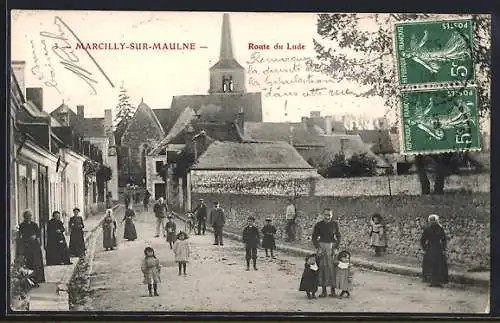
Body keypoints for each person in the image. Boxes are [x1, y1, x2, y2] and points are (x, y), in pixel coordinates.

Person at [312, 208, 341, 298]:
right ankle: (324, 291)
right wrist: (318, 248)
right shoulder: (318, 225)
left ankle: (332, 291)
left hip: (332, 247)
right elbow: (314, 237)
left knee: (332, 268)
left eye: (329, 215)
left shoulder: (334, 224)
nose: (327, 217)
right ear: (323, 215)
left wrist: (336, 248)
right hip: (322, 247)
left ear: (332, 215)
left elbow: (338, 236)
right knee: (322, 268)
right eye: (326, 215)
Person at [420, 214, 449, 287]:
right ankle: (432, 281)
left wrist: (443, 248)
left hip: (436, 248)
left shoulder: (439, 228)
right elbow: (423, 240)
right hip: (432, 248)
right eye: (431, 220)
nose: (433, 222)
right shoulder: (429, 229)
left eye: (434, 220)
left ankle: (437, 281)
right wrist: (425, 248)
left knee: (437, 265)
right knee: (432, 265)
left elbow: (444, 239)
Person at [18, 210, 45, 286]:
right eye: (27, 216)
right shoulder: (22, 225)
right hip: (27, 246)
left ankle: (38, 278)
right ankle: (30, 280)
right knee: (29, 262)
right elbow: (21, 235)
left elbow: (38, 233)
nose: (29, 218)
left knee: (37, 262)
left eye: (30, 216)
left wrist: (35, 236)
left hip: (35, 246)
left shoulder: (34, 225)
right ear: (24, 217)